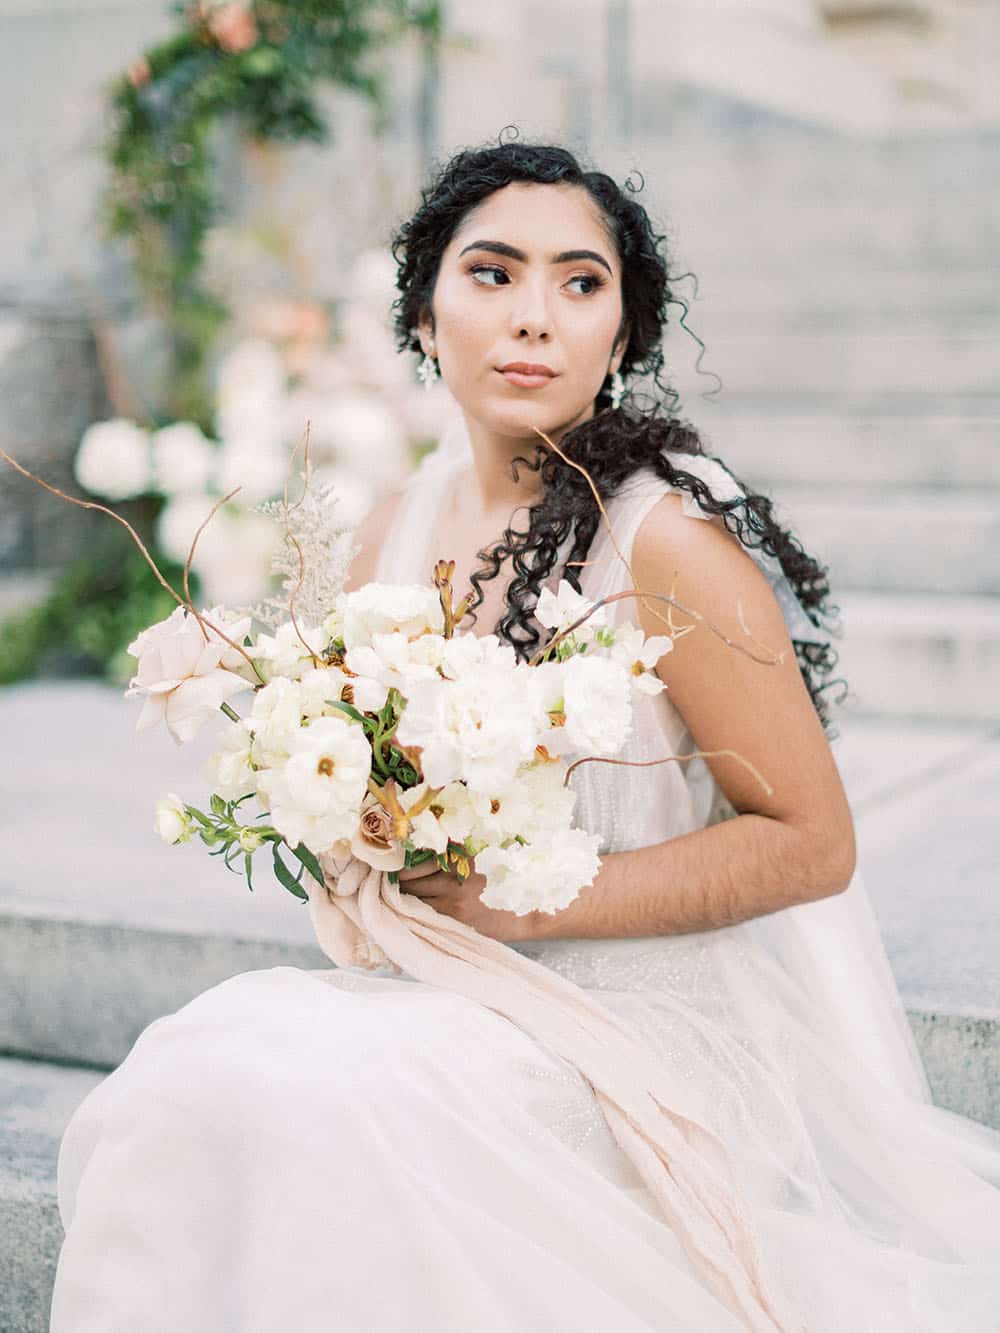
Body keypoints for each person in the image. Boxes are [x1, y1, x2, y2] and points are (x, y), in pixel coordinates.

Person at [50, 140, 1000, 1332]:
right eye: (491, 274)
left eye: (579, 282)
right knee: (191, 1077)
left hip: (644, 1015)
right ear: (423, 312)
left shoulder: (664, 549)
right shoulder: (389, 531)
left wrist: (522, 905)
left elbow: (810, 845)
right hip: (447, 992)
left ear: (622, 331)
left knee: (318, 1098)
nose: (533, 318)